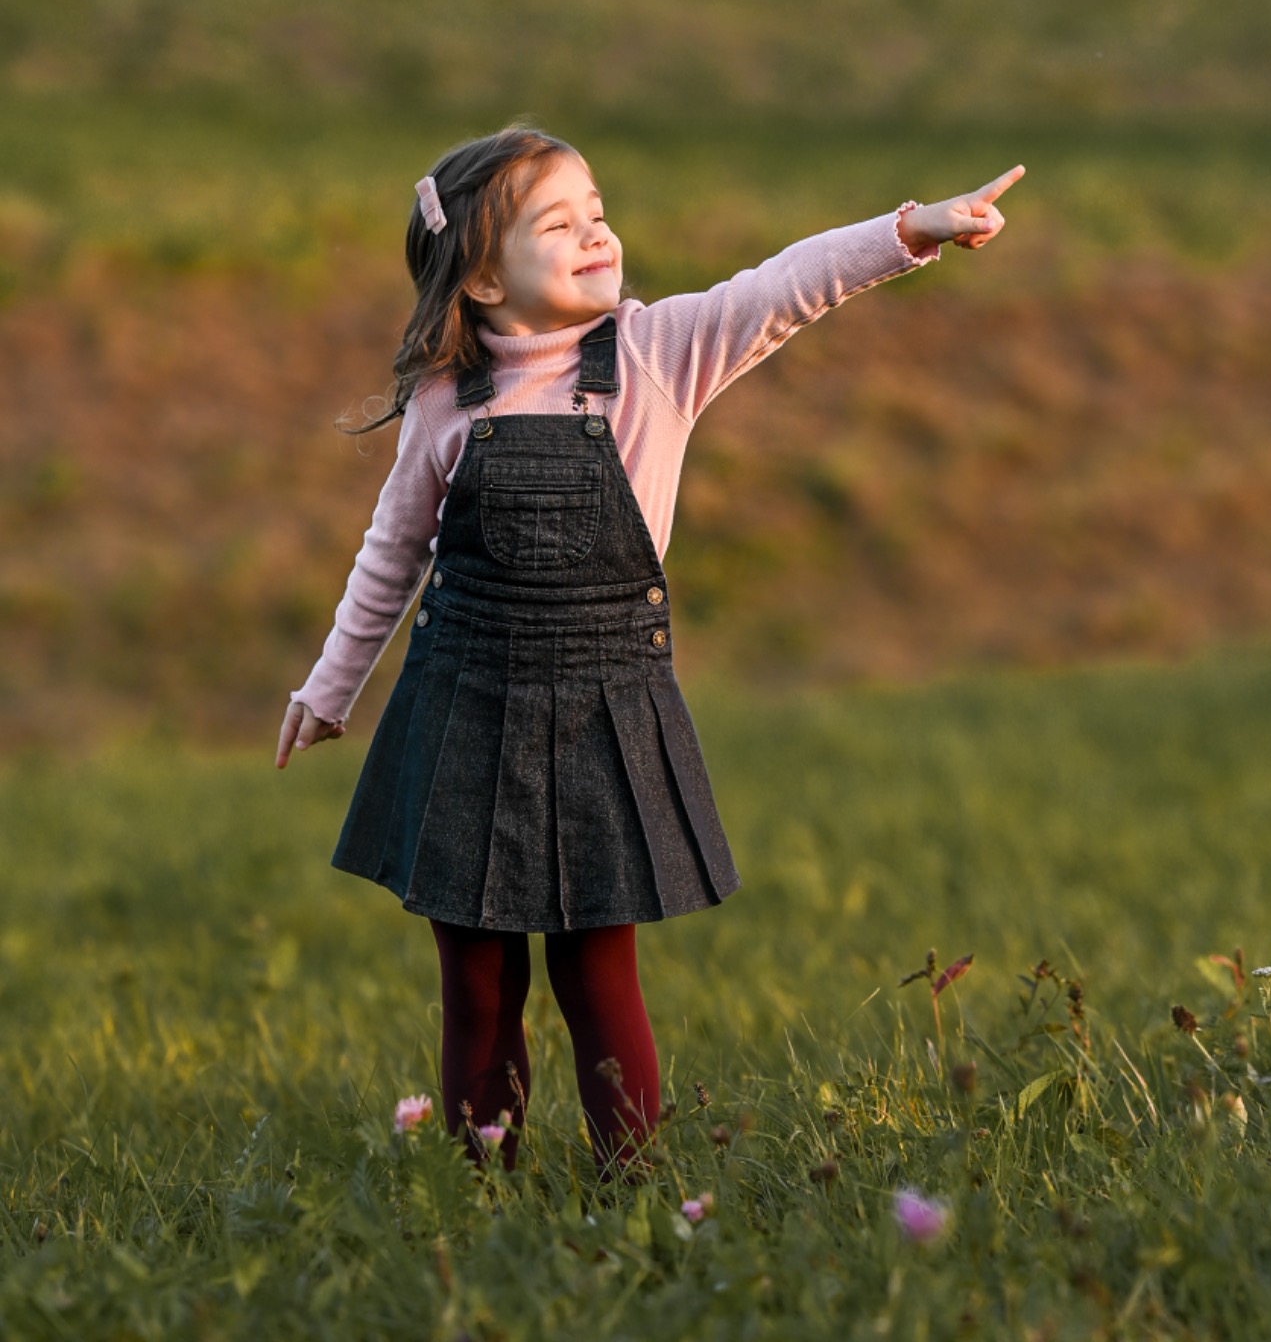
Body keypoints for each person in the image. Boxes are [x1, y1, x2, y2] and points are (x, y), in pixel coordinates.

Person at [276, 126, 1022, 1172]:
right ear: (482, 276)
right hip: (462, 710)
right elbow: (391, 555)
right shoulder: (445, 402)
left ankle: (628, 1185)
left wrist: (912, 229)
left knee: (596, 969)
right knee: (477, 977)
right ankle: (477, 1178)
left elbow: (785, 284)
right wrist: (329, 686)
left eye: (597, 210)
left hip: (604, 710)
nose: (595, 232)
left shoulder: (657, 352)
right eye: (558, 222)